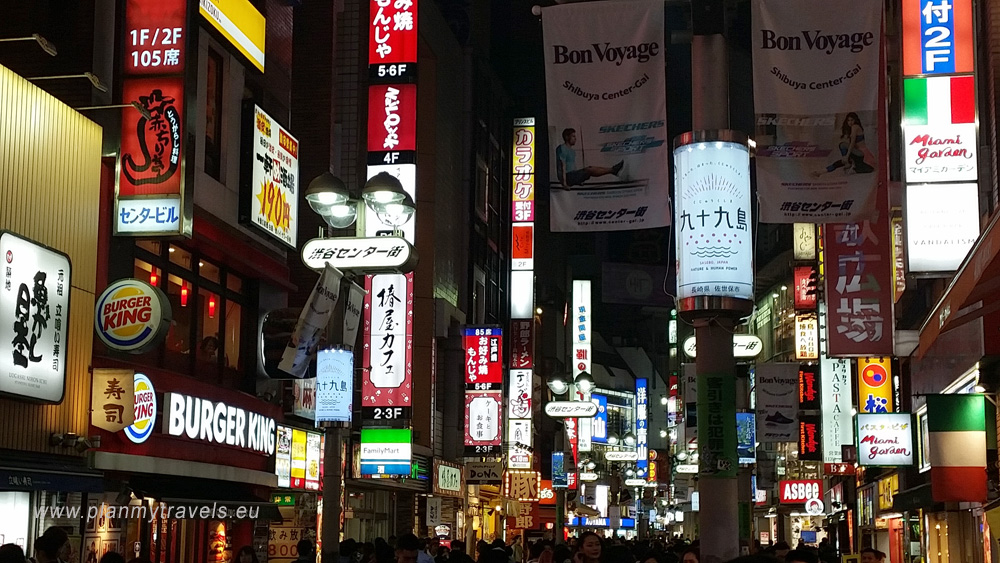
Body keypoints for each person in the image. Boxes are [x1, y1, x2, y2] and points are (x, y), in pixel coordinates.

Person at [555, 128, 623, 188]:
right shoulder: (562, 148)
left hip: (573, 175)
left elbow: (572, 166)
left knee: (590, 168)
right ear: (567, 137)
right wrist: (564, 184)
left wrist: (579, 179)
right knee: (589, 169)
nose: (575, 138)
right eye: (573, 136)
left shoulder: (572, 151)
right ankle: (613, 170)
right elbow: (562, 166)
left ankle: (612, 170)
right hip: (567, 177)